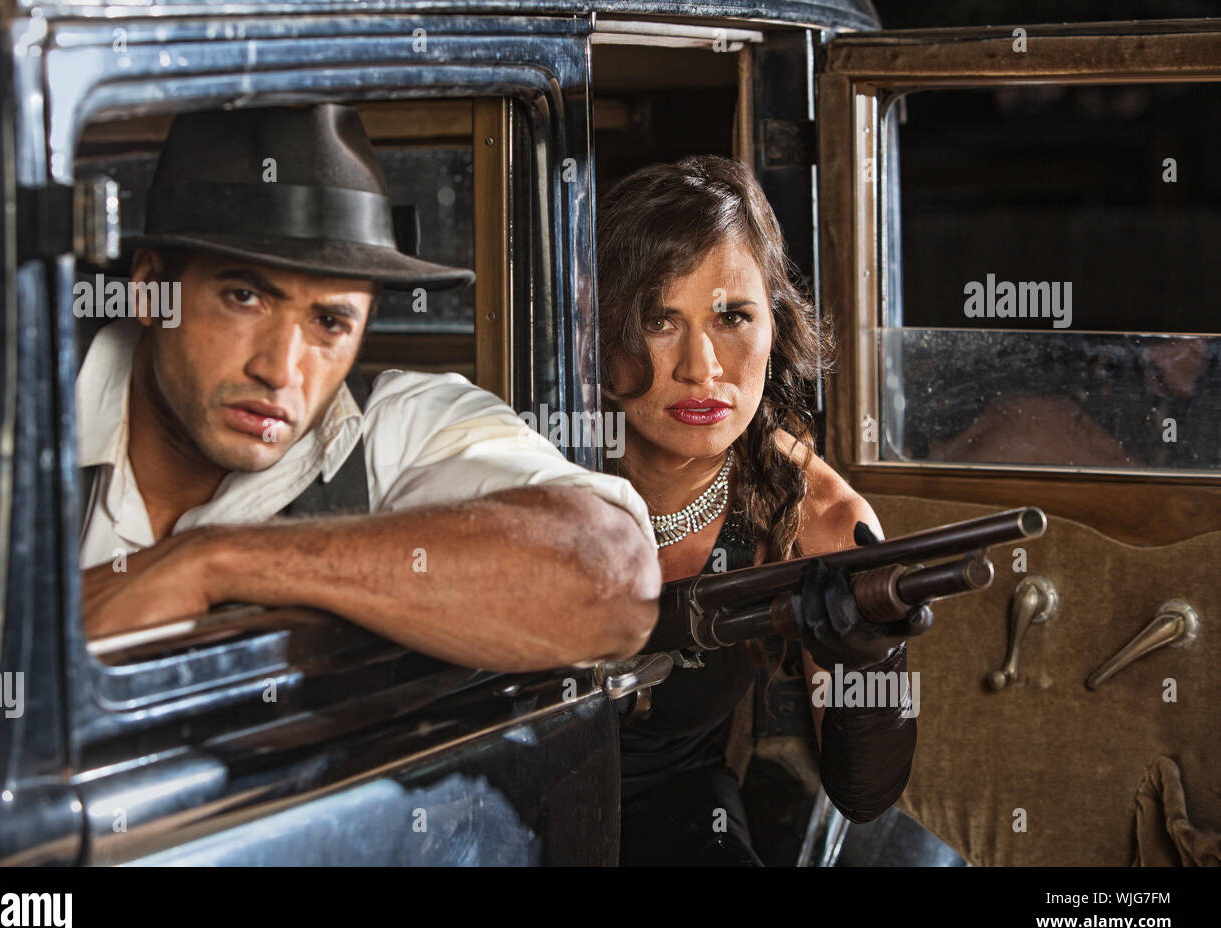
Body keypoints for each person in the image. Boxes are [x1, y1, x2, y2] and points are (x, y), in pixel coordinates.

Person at [78, 103, 660, 672]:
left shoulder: (400, 429)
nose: (280, 372)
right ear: (151, 288)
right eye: (245, 299)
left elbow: (612, 579)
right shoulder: (9, 415)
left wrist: (210, 560)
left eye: (328, 323)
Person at [596, 155, 930, 865]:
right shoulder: (528, 454)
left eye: (732, 317)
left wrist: (874, 657)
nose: (702, 367)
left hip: (674, 809)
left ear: (775, 325)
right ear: (601, 331)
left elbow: (865, 797)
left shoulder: (823, 516)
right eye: (659, 319)